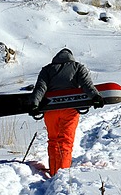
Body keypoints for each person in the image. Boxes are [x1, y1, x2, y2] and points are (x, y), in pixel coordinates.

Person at [29, 48, 103, 176]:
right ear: (71, 57)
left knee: (53, 141)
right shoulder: (78, 67)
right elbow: (87, 84)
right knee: (65, 142)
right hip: (70, 109)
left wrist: (34, 104)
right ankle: (62, 174)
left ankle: (54, 171)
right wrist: (95, 97)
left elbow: (40, 87)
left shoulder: (47, 69)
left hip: (50, 110)